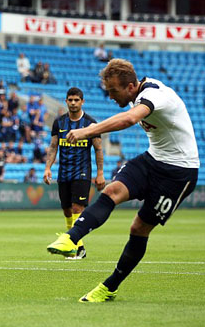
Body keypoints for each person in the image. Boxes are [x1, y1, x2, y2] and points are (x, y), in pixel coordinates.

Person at [47, 59, 199, 302]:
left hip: (178, 172)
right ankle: (71, 238)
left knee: (138, 228)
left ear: (130, 87)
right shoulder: (138, 93)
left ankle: (109, 287)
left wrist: (88, 130)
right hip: (153, 159)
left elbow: (129, 119)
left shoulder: (155, 95)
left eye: (113, 91)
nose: (109, 97)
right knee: (112, 191)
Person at [43, 87, 105, 260]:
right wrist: (48, 167)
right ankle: (73, 246)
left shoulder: (91, 124)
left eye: (76, 100)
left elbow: (98, 149)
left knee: (78, 207)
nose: (73, 103)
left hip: (82, 172)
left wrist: (100, 173)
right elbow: (54, 146)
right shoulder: (59, 122)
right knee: (67, 210)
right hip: (64, 172)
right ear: (66, 101)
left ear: (82, 102)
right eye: (70, 100)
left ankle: (78, 248)